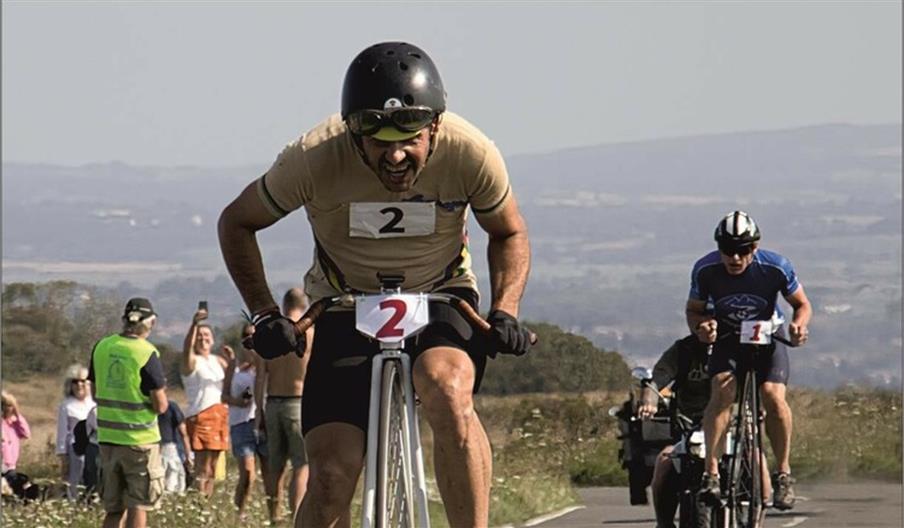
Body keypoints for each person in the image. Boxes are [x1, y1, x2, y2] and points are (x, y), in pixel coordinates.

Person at [218, 41, 534, 528]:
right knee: (330, 479)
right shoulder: (312, 156)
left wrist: (505, 309)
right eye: (378, 140)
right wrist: (265, 313)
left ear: (434, 127)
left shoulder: (472, 152)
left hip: (441, 295)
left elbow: (509, 231)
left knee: (447, 391)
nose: (395, 155)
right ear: (352, 131)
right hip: (344, 303)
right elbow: (237, 222)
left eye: (409, 139)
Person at [687, 211, 812, 511]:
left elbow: (802, 304)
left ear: (754, 248)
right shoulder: (705, 270)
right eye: (727, 249)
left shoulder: (776, 267)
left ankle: (783, 474)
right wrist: (702, 330)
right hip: (728, 339)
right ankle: (712, 474)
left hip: (768, 339)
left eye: (742, 250)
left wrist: (799, 327)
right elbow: (694, 310)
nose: (734, 257)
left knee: (772, 396)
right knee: (722, 392)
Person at [88, 297, 168, 528]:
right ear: (149, 323)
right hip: (140, 441)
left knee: (113, 508)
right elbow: (160, 405)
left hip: (107, 441)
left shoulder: (102, 346)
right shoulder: (146, 352)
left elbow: (95, 392)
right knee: (139, 504)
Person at [636, 334, 713, 527]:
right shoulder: (683, 350)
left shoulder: (736, 347)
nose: (708, 323)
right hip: (691, 429)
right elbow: (657, 380)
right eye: (700, 315)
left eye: (713, 316)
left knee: (757, 462)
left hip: (733, 429)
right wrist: (649, 401)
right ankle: (664, 523)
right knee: (664, 461)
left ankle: (754, 519)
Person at [254, 289, 312, 524]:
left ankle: (273, 516)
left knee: (274, 465)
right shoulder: (310, 332)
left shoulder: (269, 333)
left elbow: (260, 377)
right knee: (302, 464)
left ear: (284, 303)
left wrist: (259, 411)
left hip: (273, 402)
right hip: (298, 402)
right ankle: (296, 515)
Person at [180, 305, 230, 498]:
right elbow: (186, 348)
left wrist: (232, 361)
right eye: (199, 336)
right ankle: (199, 502)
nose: (203, 339)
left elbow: (230, 382)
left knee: (213, 467)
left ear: (213, 339)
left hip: (219, 415)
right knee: (202, 466)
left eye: (207, 335)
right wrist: (195, 324)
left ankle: (207, 500)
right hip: (201, 415)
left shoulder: (218, 361)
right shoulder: (191, 362)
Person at [222, 339, 268, 520]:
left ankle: (274, 516)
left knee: (270, 475)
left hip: (263, 422)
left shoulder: (267, 368)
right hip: (241, 424)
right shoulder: (236, 371)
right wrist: (238, 401)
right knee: (248, 475)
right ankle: (239, 513)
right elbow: (224, 396)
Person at [55, 363, 96, 500]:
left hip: (94, 447)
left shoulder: (94, 404)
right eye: (75, 382)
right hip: (75, 449)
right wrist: (63, 455)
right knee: (75, 479)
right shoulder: (66, 405)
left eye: (83, 381)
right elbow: (62, 432)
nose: (79, 385)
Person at [1, 390, 36, 501]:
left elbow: (26, 434)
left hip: (10, 465)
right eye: (4, 406)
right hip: (3, 464)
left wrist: (17, 415)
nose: (7, 409)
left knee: (13, 490)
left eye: (10, 406)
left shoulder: (14, 423)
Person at [157, 398, 192, 494]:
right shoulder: (171, 406)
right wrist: (188, 455)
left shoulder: (145, 404)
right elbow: (183, 433)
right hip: (170, 446)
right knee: (174, 475)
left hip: (151, 444)